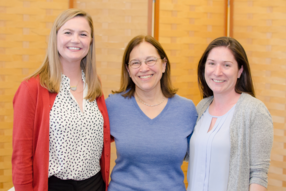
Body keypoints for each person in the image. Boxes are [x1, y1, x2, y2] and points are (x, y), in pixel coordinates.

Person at [12, 9, 110, 191]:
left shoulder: (95, 85)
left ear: (91, 41)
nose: (75, 40)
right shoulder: (32, 88)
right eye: (68, 32)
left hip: (95, 184)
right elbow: (22, 155)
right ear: (55, 37)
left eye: (83, 34)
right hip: (55, 185)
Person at [105, 35, 197, 191]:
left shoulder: (186, 109)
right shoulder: (112, 106)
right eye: (136, 63)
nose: (144, 68)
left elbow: (202, 159)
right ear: (128, 69)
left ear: (164, 65)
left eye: (150, 60)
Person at [187, 37, 273, 191]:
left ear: (240, 70)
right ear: (204, 67)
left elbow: (259, 174)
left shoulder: (254, 111)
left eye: (226, 65)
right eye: (212, 63)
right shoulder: (201, 107)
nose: (217, 72)